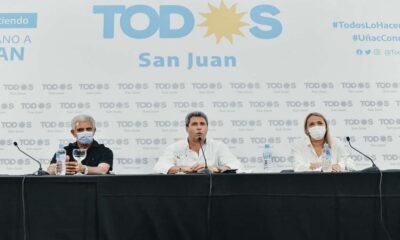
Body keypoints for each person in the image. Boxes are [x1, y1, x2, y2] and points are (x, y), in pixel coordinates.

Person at [154, 111, 242, 174]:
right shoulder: (175, 147)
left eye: (202, 124)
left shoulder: (218, 146)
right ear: (187, 128)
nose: (199, 127)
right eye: (194, 124)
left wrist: (215, 168)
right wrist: (184, 168)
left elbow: (236, 165)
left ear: (207, 127)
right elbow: (159, 167)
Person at [47, 114, 113, 175]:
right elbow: (49, 170)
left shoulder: (104, 151)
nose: (85, 132)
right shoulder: (64, 151)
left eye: (88, 129)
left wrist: (84, 169)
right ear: (73, 133)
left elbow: (103, 170)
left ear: (94, 131)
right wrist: (58, 169)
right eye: (80, 130)